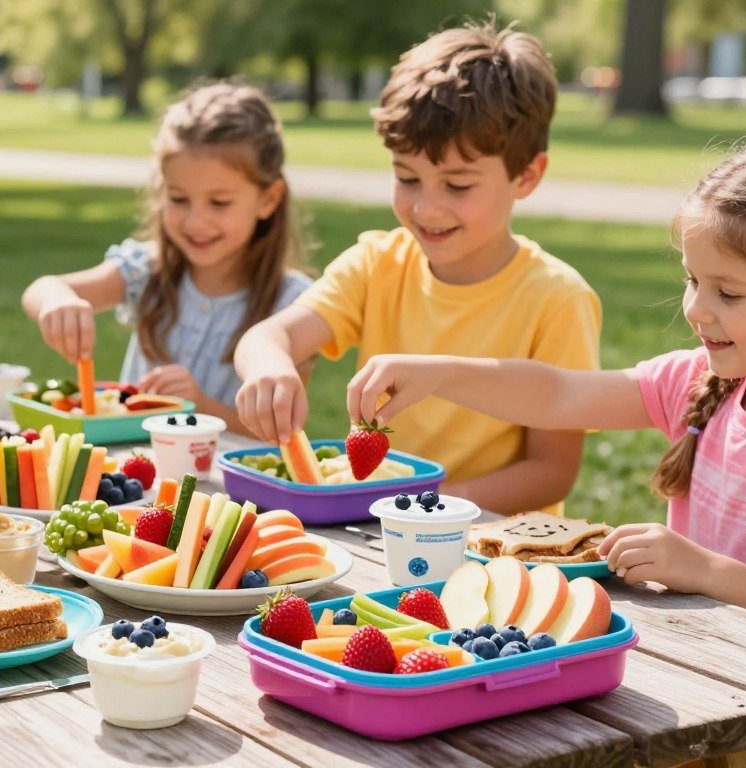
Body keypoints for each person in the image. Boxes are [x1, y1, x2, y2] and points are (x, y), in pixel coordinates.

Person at [355, 136, 746, 653]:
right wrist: (439, 374)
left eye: (729, 293)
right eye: (692, 280)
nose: (696, 309)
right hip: (694, 666)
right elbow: (558, 395)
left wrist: (707, 571)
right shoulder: (696, 384)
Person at [234, 20, 601, 514]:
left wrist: (422, 505)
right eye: (407, 178)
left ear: (527, 176)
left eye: (458, 185)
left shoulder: (557, 299)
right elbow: (269, 336)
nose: (426, 208)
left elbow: (550, 472)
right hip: (379, 525)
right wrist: (270, 368)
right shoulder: (377, 263)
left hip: (486, 540)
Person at [21, 82, 313, 433]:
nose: (195, 222)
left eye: (219, 203)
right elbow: (42, 288)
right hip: (133, 466)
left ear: (268, 200)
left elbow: (279, 431)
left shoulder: (295, 306)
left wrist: (199, 406)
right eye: (178, 199)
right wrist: (57, 301)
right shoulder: (146, 269)